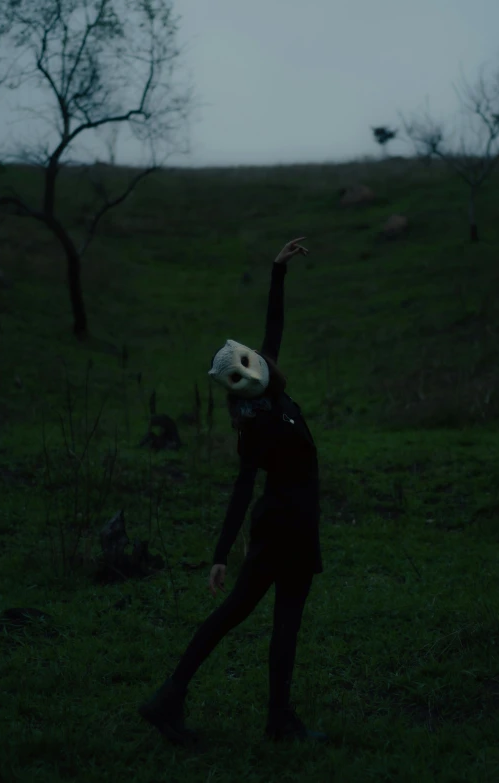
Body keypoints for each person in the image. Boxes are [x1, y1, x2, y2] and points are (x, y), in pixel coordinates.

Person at [138, 238, 327, 745]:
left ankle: (273, 718)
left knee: (277, 620)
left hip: (296, 523)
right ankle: (176, 699)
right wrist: (221, 554)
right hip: (282, 528)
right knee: (243, 614)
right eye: (242, 373)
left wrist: (278, 270)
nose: (253, 369)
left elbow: (274, 328)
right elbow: (243, 488)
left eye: (250, 363)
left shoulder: (273, 388)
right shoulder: (256, 423)